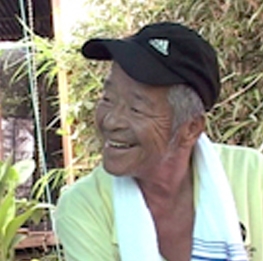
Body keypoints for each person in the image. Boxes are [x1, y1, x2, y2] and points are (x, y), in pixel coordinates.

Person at [55, 22, 263, 261]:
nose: (111, 121)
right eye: (108, 98)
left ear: (191, 128)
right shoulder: (85, 207)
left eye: (136, 108)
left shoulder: (252, 177)